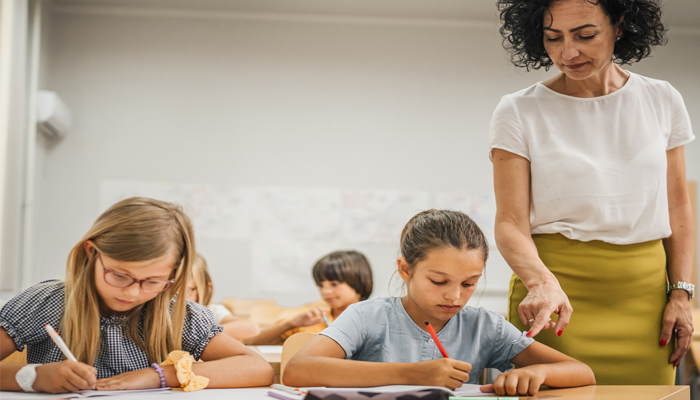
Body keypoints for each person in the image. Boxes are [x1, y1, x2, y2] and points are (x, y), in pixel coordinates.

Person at [491, 0, 695, 384]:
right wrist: (541, 282)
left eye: (585, 35)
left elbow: (679, 206)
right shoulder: (518, 110)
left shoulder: (662, 99)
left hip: (644, 298)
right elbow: (509, 223)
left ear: (620, 25)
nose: (568, 53)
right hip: (554, 295)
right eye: (553, 38)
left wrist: (682, 295)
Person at [284, 210, 594, 396]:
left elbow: (580, 372)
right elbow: (298, 370)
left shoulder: (484, 326)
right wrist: (412, 375)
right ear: (406, 269)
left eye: (469, 283)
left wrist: (539, 374)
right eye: (438, 281)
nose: (455, 296)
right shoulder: (368, 316)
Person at [0, 197, 274, 393]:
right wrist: (32, 377)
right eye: (119, 276)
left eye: (153, 281)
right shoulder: (46, 303)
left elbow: (258, 368)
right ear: (91, 253)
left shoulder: (178, 314)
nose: (132, 292)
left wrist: (160, 376)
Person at [244, 250, 373, 345]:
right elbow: (250, 342)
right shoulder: (312, 316)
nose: (326, 291)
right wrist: (290, 324)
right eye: (321, 285)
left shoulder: (375, 317)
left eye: (335, 284)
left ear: (359, 282)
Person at [186, 253, 261, 340]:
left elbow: (252, 328)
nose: (176, 299)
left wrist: (204, 333)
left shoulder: (212, 311)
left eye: (186, 291)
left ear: (204, 289)